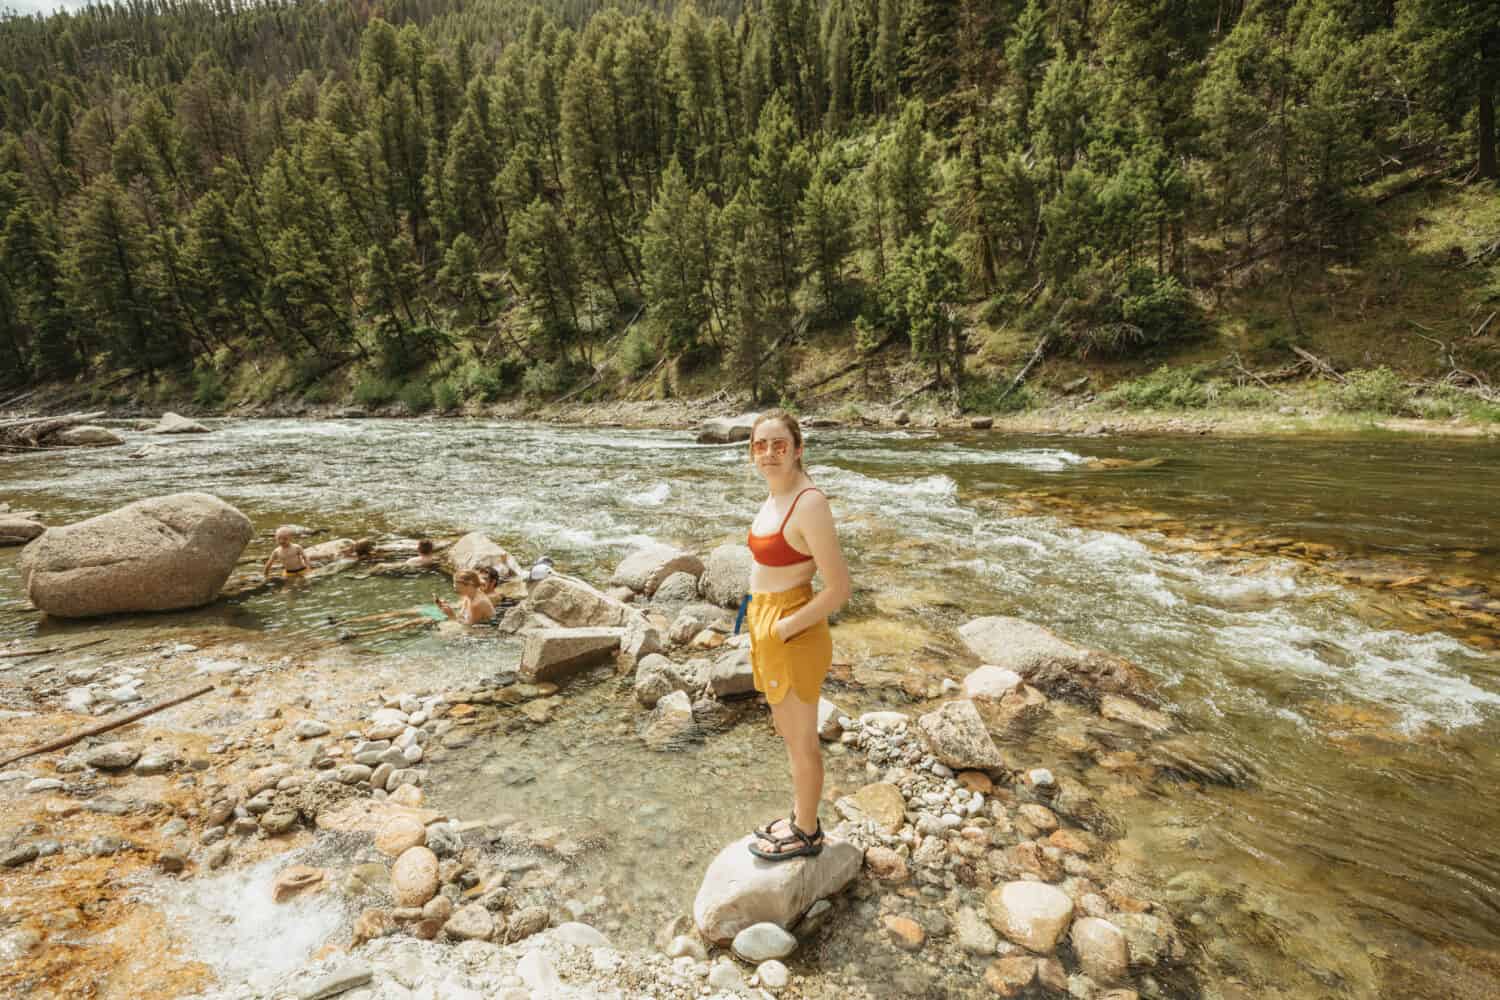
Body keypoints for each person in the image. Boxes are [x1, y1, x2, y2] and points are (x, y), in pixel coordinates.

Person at [743, 409, 851, 862]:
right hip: (766, 622)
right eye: (760, 445)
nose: (769, 453)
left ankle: (807, 833)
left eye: (779, 445)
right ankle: (800, 815)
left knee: (802, 740)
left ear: (799, 449)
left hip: (792, 627)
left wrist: (783, 628)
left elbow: (840, 589)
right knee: (789, 734)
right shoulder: (773, 496)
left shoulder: (809, 502)